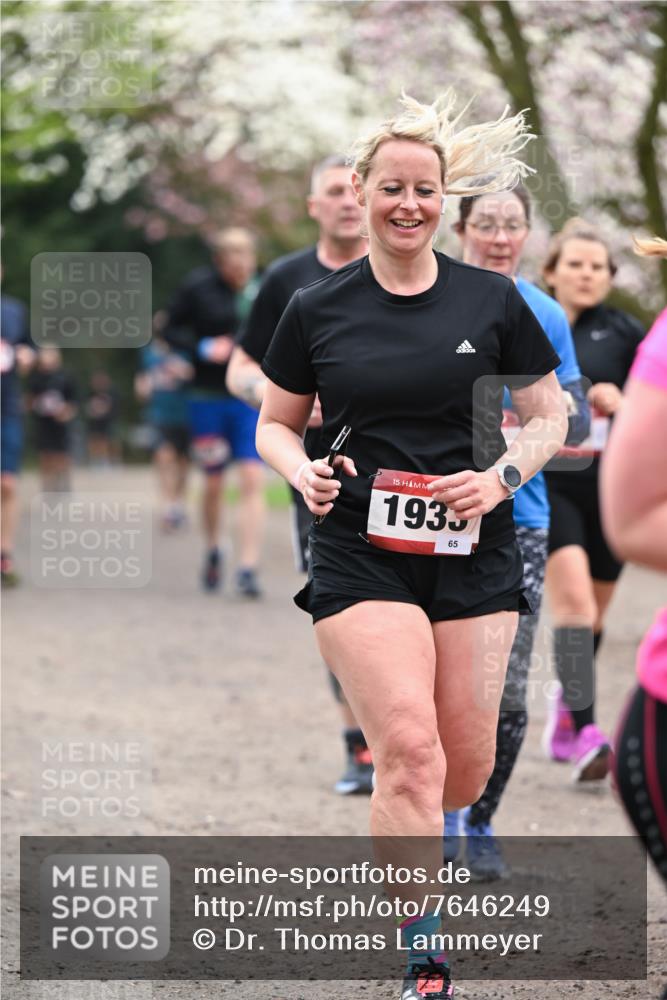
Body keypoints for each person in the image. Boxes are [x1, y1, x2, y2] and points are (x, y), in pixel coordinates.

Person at [256, 90, 568, 1000]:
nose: (406, 205)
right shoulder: (317, 308)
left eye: (423, 191)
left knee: (462, 766)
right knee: (409, 748)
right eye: (388, 187)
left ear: (443, 198)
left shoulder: (493, 299)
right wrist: (297, 470)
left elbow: (549, 417)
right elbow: (274, 426)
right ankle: (423, 955)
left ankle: (428, 836)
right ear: (359, 191)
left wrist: (502, 475)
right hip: (360, 549)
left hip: (476, 547)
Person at [444, 183, 590, 878]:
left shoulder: (543, 312)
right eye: (487, 224)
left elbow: (578, 418)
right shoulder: (422, 297)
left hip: (518, 521)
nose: (499, 237)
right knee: (427, 682)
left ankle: (477, 818)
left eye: (513, 225)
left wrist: (517, 424)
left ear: (528, 234)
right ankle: (431, 813)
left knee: (502, 692)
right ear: (460, 227)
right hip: (426, 517)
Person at [227, 155, 374, 795]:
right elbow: (239, 366)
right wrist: (279, 394)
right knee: (337, 604)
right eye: (333, 192)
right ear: (313, 205)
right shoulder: (287, 280)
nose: (347, 202)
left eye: (354, 191)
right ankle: (357, 742)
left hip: (406, 472)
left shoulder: (405, 276)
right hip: (313, 472)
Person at [541, 218, 645, 782]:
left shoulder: (627, 333)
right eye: (574, 264)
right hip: (548, 485)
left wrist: (621, 399)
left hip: (609, 491)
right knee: (576, 608)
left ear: (609, 277)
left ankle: (565, 705)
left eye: (597, 266)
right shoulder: (529, 322)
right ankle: (586, 729)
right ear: (551, 271)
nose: (586, 274)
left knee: (593, 619)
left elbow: (652, 409)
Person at [602, 237, 667, 940]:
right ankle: (574, 704)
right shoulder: (523, 310)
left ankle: (571, 703)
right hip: (539, 504)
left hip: (517, 495)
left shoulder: (615, 327)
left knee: (584, 616)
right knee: (566, 615)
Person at [163, 227, 265, 596]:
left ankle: (248, 567)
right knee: (214, 480)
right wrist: (201, 347)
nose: (241, 270)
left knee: (253, 477)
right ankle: (212, 549)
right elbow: (170, 328)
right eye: (233, 263)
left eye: (247, 261)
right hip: (206, 397)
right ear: (219, 262)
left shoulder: (265, 285)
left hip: (250, 398)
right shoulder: (197, 287)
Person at [136, 317, 194, 532]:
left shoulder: (186, 350)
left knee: (184, 462)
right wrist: (143, 388)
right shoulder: (148, 354)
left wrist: (184, 372)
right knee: (164, 456)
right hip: (159, 415)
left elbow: (196, 376)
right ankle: (168, 505)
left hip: (185, 413)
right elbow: (141, 383)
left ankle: (179, 502)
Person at [1, 290, 34, 587]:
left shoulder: (14, 310)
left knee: (7, 484)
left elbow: (29, 347)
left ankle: (5, 554)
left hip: (6, 409)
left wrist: (26, 355)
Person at [26, 346, 78, 493]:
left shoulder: (65, 377)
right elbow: (29, 400)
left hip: (61, 422)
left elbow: (74, 401)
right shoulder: (35, 378)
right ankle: (47, 485)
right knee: (45, 454)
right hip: (43, 421)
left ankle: (63, 481)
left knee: (62, 454)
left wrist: (66, 412)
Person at [85, 370, 119, 466]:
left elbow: (114, 408)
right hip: (95, 421)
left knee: (110, 440)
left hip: (108, 420)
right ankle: (95, 460)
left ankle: (111, 460)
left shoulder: (112, 393)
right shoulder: (90, 393)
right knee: (94, 440)